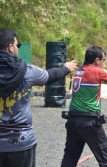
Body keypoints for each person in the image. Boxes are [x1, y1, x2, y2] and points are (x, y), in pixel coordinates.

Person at [0, 28, 77, 167]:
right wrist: (66, 68)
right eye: (18, 45)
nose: (18, 48)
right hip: (21, 142)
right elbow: (50, 76)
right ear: (10, 47)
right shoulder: (27, 71)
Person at [61, 46, 107, 167]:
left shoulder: (81, 70)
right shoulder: (96, 70)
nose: (104, 64)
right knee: (104, 157)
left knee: (70, 156)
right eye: (103, 60)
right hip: (89, 121)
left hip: (73, 120)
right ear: (97, 60)